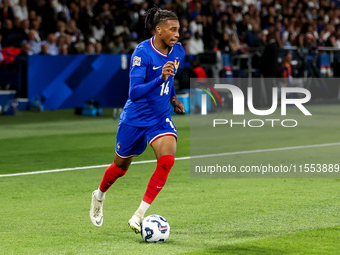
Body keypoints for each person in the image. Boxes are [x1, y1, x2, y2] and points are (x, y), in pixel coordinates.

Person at [89, 6, 185, 234]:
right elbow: (134, 92)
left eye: (178, 29)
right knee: (120, 168)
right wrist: (159, 78)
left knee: (167, 161)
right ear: (159, 30)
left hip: (160, 118)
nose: (177, 34)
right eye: (172, 30)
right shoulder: (142, 53)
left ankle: (138, 215)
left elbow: (169, 79)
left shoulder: (178, 51)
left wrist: (172, 98)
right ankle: (99, 195)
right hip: (135, 119)